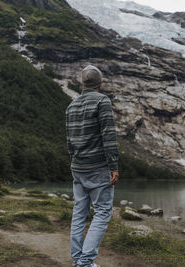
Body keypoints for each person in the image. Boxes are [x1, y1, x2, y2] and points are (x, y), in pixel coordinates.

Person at [66, 65, 119, 267]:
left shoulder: (71, 105)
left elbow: (69, 141)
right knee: (103, 211)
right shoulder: (102, 101)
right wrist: (113, 165)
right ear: (100, 83)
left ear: (83, 83)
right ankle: (85, 262)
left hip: (77, 167)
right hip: (98, 167)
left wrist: (74, 162)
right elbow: (109, 135)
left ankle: (78, 259)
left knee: (79, 212)